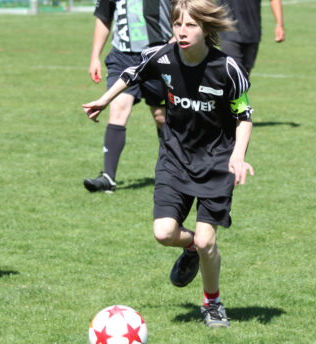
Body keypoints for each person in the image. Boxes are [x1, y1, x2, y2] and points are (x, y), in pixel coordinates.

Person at [83, 0, 254, 328]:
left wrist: (238, 155)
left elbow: (243, 115)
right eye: (177, 24)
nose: (182, 31)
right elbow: (132, 73)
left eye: (190, 25)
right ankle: (190, 247)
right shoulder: (162, 55)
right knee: (163, 232)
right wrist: (104, 101)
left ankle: (212, 303)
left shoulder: (227, 68)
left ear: (205, 28)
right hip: (174, 158)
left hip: (216, 161)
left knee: (208, 241)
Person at [83, 0, 173, 193]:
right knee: (117, 110)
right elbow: (104, 17)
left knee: (161, 116)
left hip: (158, 53)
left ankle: (173, 171)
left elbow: (183, 10)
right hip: (122, 56)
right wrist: (95, 56)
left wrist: (173, 47)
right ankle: (108, 177)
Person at [217, 0, 285, 74]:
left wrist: (279, 25)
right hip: (228, 31)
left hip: (252, 33)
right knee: (233, 72)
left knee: (245, 76)